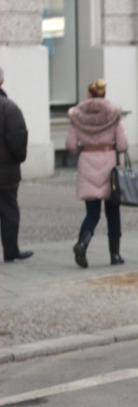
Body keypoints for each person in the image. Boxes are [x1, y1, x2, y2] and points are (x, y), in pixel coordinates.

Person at [66, 78, 128, 267]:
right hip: (109, 166)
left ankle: (82, 244)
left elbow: (70, 145)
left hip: (87, 163)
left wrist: (83, 151)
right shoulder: (113, 115)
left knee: (92, 213)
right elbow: (123, 145)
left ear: (89, 95)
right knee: (113, 211)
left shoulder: (77, 116)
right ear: (104, 94)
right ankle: (115, 255)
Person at [0, 65, 33, 262]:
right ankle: (11, 250)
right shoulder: (9, 108)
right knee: (9, 211)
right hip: (5, 173)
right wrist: (17, 159)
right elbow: (18, 140)